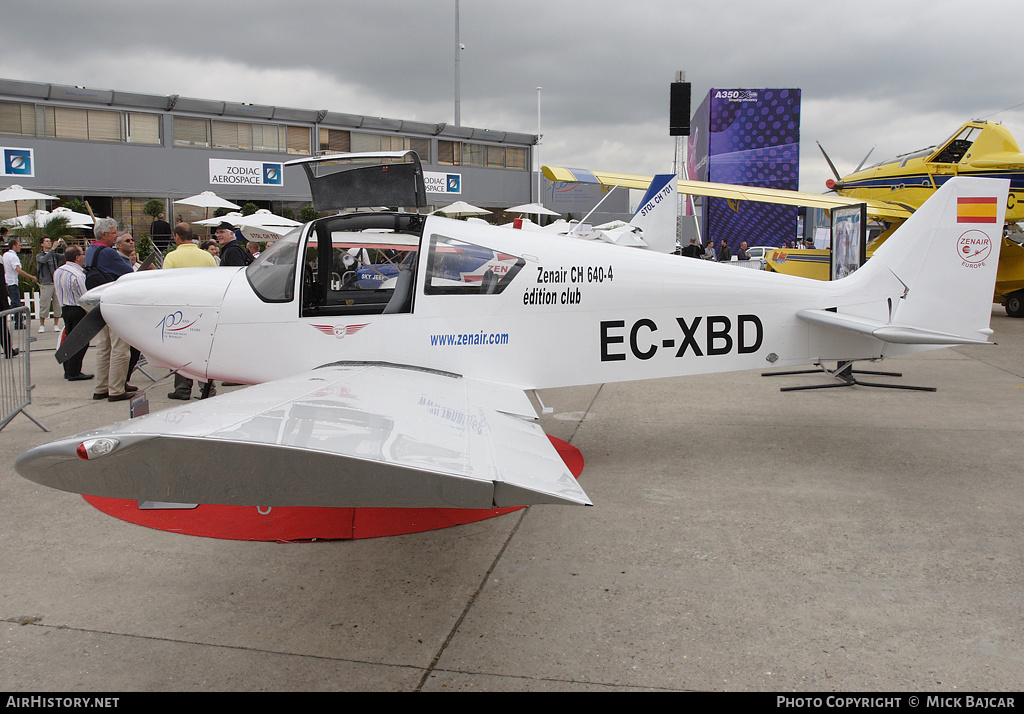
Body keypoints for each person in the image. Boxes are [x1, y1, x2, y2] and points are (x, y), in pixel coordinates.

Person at [164, 223, 217, 400]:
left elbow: (166, 286)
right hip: (204, 309)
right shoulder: (207, 256)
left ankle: (182, 389)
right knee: (203, 350)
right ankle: (208, 389)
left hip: (180, 311)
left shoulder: (172, 257)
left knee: (180, 350)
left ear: (176, 236)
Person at [85, 218, 136, 402]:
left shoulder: (91, 251)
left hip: (99, 303)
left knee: (103, 346)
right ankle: (116, 389)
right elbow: (129, 274)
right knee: (120, 348)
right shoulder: (108, 253)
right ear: (105, 234)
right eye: (115, 233)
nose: (117, 236)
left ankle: (101, 387)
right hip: (115, 304)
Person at [52, 246, 92, 381]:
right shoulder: (78, 274)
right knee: (81, 341)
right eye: (82, 254)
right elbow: (84, 296)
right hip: (77, 308)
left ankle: (68, 368)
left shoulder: (58, 271)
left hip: (66, 308)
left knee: (69, 339)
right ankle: (74, 371)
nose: (84, 256)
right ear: (77, 257)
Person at [4, 238, 40, 329]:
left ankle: (17, 322)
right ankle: (18, 323)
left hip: (7, 281)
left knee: (14, 302)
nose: (20, 247)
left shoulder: (5, 255)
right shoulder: (13, 257)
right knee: (16, 303)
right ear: (14, 246)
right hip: (12, 282)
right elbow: (18, 270)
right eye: (19, 245)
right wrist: (31, 277)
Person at [35, 236, 66, 333]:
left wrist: (64, 245)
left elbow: (66, 255)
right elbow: (43, 260)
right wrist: (52, 249)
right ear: (42, 244)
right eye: (46, 241)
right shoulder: (39, 255)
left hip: (56, 283)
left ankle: (56, 324)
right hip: (46, 282)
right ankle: (42, 324)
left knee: (57, 304)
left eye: (50, 241)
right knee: (44, 304)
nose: (49, 243)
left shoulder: (54, 255)